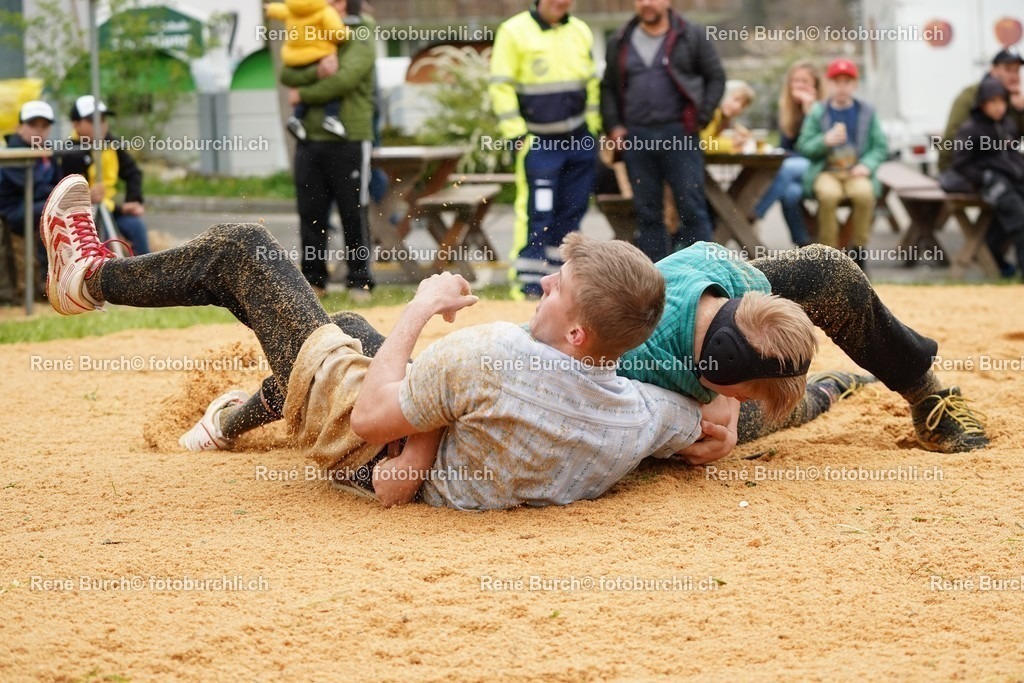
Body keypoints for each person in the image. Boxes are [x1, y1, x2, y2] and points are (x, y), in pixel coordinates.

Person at [40, 173, 718, 511]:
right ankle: (228, 423)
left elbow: (380, 437)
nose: (542, 287)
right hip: (429, 435)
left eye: (556, 289)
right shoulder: (636, 410)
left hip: (366, 443)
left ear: (575, 332)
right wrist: (720, 422)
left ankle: (89, 277)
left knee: (243, 252)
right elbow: (699, 423)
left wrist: (422, 307)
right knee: (355, 331)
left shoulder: (485, 357)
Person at [617, 241, 989, 460]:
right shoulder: (630, 360)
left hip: (710, 331)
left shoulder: (720, 270)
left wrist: (729, 398)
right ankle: (832, 387)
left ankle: (927, 395)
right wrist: (721, 427)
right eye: (739, 394)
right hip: (653, 384)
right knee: (751, 421)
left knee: (827, 272)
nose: (739, 401)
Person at [489, 0, 601, 299]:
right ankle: (527, 285)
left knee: (573, 213)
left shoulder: (581, 31)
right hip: (538, 142)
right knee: (537, 214)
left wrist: (593, 130)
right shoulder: (513, 31)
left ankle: (559, 282)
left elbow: (591, 85)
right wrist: (517, 135)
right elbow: (501, 86)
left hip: (580, 141)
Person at [600, 0, 726, 262]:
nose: (647, 3)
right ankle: (654, 284)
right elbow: (608, 88)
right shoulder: (620, 40)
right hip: (637, 137)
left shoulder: (691, 35)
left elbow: (716, 77)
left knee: (692, 208)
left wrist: (700, 118)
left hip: (680, 134)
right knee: (647, 212)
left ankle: (706, 277)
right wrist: (614, 126)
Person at [279, 0, 375, 299]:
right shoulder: (309, 27)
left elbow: (346, 79)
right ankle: (314, 280)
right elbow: (288, 74)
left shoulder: (362, 30)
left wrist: (303, 94)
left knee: (353, 211)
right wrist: (316, 73)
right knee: (310, 212)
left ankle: (360, 280)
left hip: (349, 136)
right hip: (309, 136)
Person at [939, 48, 1024, 277]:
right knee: (1012, 207)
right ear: (993, 70)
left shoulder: (1012, 102)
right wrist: (976, 175)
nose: (1014, 75)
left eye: (1017, 70)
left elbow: (1012, 142)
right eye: (1008, 69)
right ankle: (991, 257)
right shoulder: (971, 97)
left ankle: (994, 257)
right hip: (965, 173)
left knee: (1013, 198)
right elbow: (953, 143)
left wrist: (1020, 110)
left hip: (1001, 171)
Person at [796, 58, 887, 264]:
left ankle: (858, 250)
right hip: (826, 171)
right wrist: (824, 141)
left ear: (855, 84)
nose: (842, 86)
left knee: (864, 194)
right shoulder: (819, 112)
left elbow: (879, 146)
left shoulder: (866, 112)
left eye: (847, 81)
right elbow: (804, 145)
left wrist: (867, 165)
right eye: (837, 81)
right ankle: (829, 254)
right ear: (829, 84)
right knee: (828, 196)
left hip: (856, 171)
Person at [63, 96, 150, 256]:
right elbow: (73, 198)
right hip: (87, 217)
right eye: (92, 121)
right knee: (106, 246)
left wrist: (133, 200)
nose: (100, 125)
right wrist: (119, 207)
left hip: (111, 209)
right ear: (76, 124)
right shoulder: (70, 152)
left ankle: (148, 276)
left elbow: (133, 172)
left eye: (102, 119)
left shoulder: (112, 144)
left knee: (136, 226)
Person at [752, 60, 820, 247]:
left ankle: (755, 213)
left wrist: (810, 112)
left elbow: (815, 148)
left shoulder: (822, 109)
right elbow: (787, 146)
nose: (799, 85)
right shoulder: (788, 110)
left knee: (787, 167)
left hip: (820, 166)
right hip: (799, 173)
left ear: (815, 84)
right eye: (795, 81)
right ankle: (804, 245)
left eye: (805, 81)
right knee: (790, 194)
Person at [266, 0, 348, 141]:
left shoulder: (292, 9)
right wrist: (346, 32)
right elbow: (337, 33)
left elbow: (279, 10)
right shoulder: (324, 11)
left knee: (304, 84)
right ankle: (331, 116)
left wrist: (269, 8)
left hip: (295, 58)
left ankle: (297, 117)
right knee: (331, 86)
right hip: (318, 55)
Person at [0, 100, 57, 286]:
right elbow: (36, 188)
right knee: (49, 211)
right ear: (19, 127)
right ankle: (46, 280)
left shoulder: (48, 154)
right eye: (33, 125)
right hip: (12, 213)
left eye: (44, 125)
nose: (39, 130)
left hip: (35, 206)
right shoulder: (12, 155)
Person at [700, 80, 755, 153]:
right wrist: (732, 143)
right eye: (735, 99)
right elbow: (703, 144)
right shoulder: (711, 114)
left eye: (742, 106)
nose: (737, 107)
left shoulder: (725, 119)